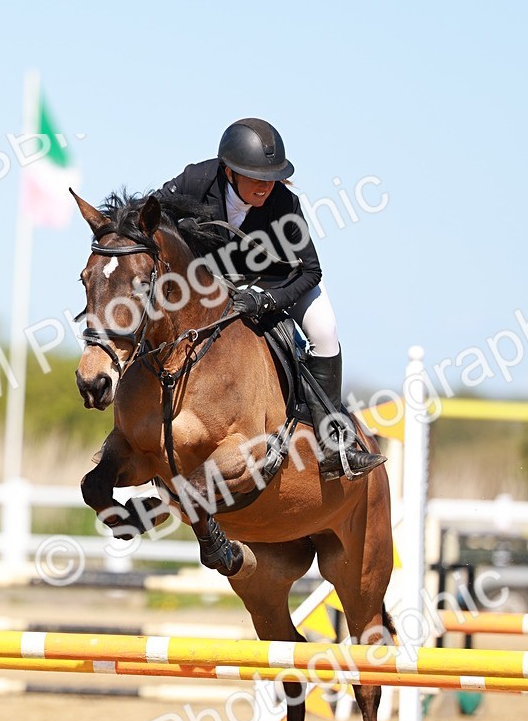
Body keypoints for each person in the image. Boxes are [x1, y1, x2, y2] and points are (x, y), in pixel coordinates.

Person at [157, 117, 384, 479]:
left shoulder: (285, 203)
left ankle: (333, 444)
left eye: (272, 177)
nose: (266, 186)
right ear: (230, 172)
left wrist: (267, 300)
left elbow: (310, 272)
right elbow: (147, 216)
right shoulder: (195, 181)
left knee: (325, 330)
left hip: (280, 282)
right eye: (256, 178)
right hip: (216, 283)